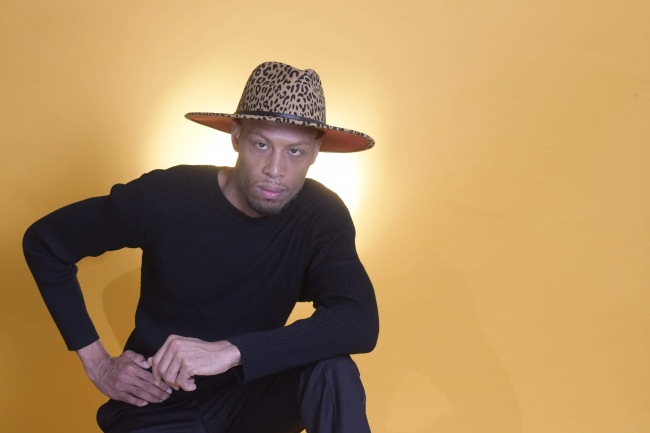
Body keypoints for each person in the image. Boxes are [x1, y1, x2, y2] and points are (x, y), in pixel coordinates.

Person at [23, 61, 379, 433]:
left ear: (316, 151)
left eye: (295, 152)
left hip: (251, 402)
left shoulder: (320, 215)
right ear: (236, 136)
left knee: (332, 367)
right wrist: (98, 364)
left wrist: (231, 351)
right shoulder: (168, 196)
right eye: (261, 145)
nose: (275, 169)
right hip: (154, 406)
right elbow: (45, 243)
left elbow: (358, 321)